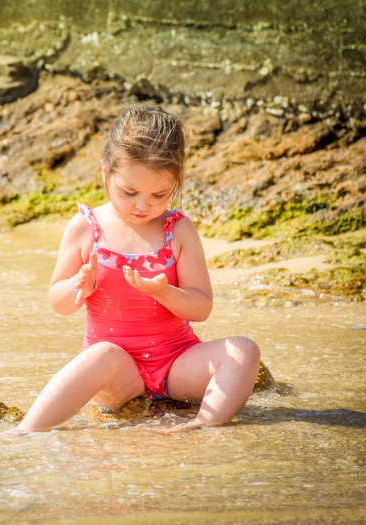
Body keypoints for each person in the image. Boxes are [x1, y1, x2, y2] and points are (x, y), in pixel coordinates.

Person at [15, 105, 260, 433]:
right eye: (129, 192)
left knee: (244, 350)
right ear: (106, 173)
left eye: (159, 194)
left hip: (177, 364)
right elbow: (58, 302)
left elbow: (201, 306)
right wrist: (78, 286)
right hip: (117, 375)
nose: (143, 205)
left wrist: (165, 293)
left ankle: (207, 422)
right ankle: (25, 431)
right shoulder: (85, 228)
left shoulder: (178, 230)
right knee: (102, 354)